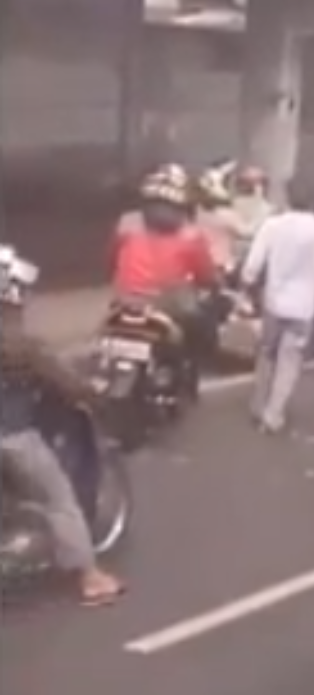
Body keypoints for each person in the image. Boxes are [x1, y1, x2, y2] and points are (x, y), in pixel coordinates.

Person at [0, 245, 126, 606]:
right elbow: (66, 383)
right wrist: (94, 392)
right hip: (12, 437)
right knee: (60, 500)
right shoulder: (21, 347)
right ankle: (92, 578)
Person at [240, 180, 314, 434]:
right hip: (304, 308)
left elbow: (252, 265)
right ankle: (273, 415)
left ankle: (258, 404)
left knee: (267, 354)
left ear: (288, 196)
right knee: (290, 361)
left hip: (273, 303)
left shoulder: (273, 225)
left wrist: (246, 286)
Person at [112, 165, 222, 368]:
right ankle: (187, 367)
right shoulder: (192, 236)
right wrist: (212, 284)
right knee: (200, 323)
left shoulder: (127, 223)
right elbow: (206, 275)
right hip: (167, 305)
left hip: (124, 300)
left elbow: (112, 257)